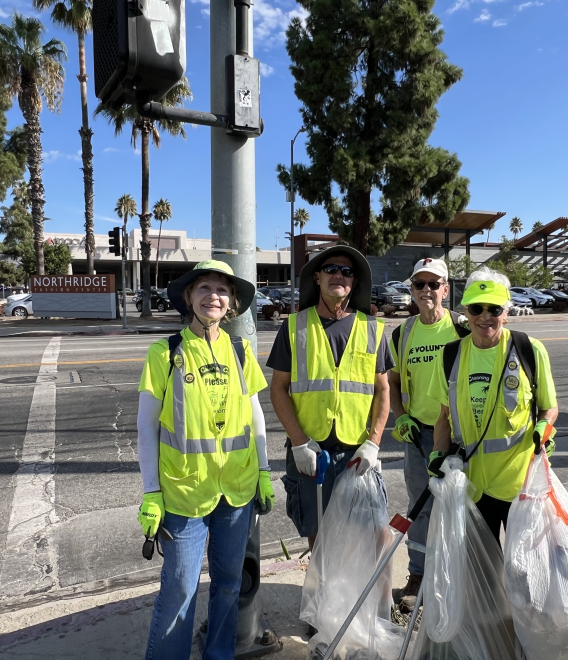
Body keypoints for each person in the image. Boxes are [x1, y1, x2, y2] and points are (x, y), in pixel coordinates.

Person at [136, 260, 274, 660]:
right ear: (188, 298)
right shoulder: (166, 352)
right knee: (180, 588)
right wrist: (151, 492)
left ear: (231, 303)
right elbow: (147, 428)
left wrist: (263, 471)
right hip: (183, 494)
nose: (213, 296)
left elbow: (255, 414)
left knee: (230, 581)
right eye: (205, 288)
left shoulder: (240, 350)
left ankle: (219, 654)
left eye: (222, 290)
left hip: (236, 491)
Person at [268, 246, 394, 549]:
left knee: (372, 536)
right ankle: (325, 596)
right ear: (317, 278)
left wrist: (374, 443)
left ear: (354, 282)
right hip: (312, 452)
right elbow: (278, 389)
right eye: (332, 269)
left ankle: (364, 597)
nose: (339, 275)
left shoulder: (371, 328)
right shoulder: (294, 326)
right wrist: (299, 442)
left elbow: (383, 390)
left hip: (357, 453)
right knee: (320, 539)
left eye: (347, 271)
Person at [427, 268, 559, 544]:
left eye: (494, 309)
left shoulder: (529, 350)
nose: (485, 317)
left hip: (519, 485)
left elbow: (549, 407)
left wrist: (545, 426)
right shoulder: (450, 355)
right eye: (477, 308)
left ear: (506, 313)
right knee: (483, 573)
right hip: (472, 485)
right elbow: (443, 416)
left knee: (522, 571)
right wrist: (437, 455)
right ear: (466, 311)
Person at [388, 258, 469, 611]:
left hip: (461, 437)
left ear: (446, 290)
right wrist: (401, 416)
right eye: (419, 284)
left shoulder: (463, 328)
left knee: (461, 508)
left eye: (433, 285)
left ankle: (458, 576)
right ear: (412, 291)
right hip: (418, 436)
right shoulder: (402, 333)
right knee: (419, 510)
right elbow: (391, 382)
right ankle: (418, 575)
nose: (426, 291)